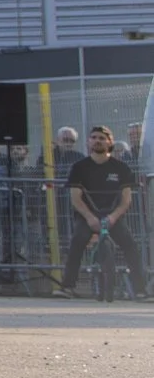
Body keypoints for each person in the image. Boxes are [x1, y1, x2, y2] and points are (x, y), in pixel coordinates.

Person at [58, 127, 146, 298]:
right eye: (93, 137)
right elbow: (76, 198)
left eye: (102, 138)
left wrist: (112, 217)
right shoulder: (79, 167)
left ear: (110, 142)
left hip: (113, 216)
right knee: (77, 241)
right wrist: (90, 218)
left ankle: (141, 289)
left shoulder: (121, 168)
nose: (97, 140)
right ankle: (67, 286)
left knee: (130, 245)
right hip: (87, 216)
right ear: (88, 141)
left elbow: (126, 200)